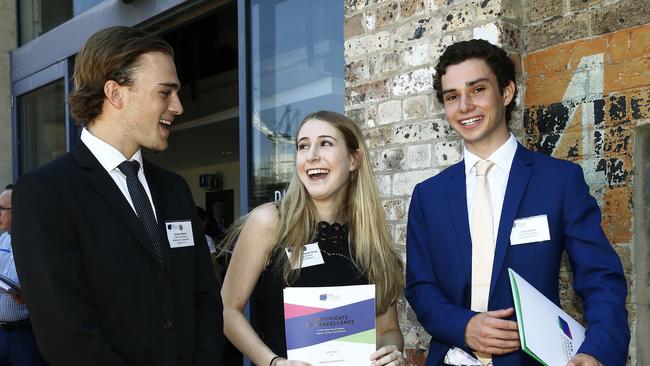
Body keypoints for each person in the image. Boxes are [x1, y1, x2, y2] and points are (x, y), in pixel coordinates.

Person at [405, 39, 629, 366]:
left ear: (506, 93)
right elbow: (421, 288)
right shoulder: (428, 195)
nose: (464, 106)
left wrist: (596, 352)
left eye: (477, 90)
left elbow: (601, 279)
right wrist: (464, 326)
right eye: (452, 96)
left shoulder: (558, 181)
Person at [11, 26, 224, 366]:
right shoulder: (44, 194)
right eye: (165, 93)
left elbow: (206, 299)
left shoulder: (175, 189)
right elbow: (66, 335)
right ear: (115, 93)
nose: (179, 107)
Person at [221, 111, 405, 366]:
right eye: (303, 146)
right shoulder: (270, 222)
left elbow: (387, 330)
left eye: (326, 143)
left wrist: (391, 353)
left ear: (354, 159)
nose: (311, 155)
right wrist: (272, 362)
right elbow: (227, 311)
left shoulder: (369, 239)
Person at [0, 185, 47, 366]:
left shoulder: (39, 244)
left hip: (26, 335)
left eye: (2, 209)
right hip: (2, 334)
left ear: (19, 210)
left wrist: (29, 296)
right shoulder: (2, 240)